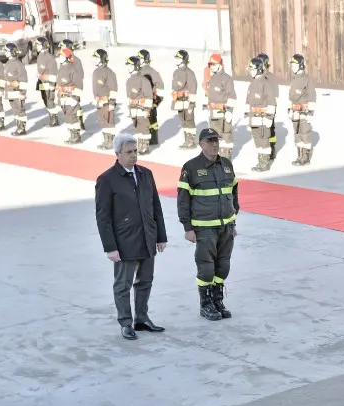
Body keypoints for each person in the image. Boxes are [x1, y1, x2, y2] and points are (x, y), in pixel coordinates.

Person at [95, 133, 168, 340]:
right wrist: (110, 247)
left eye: (135, 151)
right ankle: (126, 322)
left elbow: (156, 206)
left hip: (147, 237)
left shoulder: (146, 174)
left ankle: (142, 318)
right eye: (129, 152)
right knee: (123, 285)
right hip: (124, 242)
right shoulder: (107, 179)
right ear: (117, 154)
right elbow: (103, 217)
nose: (134, 156)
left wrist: (160, 236)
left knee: (145, 281)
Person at [177, 128, 240, 321]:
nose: (214, 144)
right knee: (206, 267)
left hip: (226, 227)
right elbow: (183, 200)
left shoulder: (227, 164)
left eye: (216, 140)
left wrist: (233, 219)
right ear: (201, 143)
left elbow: (234, 194)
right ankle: (205, 304)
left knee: (223, 266)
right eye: (210, 140)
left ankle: (217, 300)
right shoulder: (191, 167)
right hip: (204, 228)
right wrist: (187, 227)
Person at [245, 57, 276, 172]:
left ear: (258, 69)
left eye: (252, 69)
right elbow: (248, 100)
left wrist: (269, 118)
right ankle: (260, 161)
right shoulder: (252, 84)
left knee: (264, 140)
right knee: (257, 140)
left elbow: (272, 102)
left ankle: (265, 163)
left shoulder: (265, 84)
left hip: (263, 118)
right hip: (254, 118)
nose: (250, 71)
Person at [205, 53, 237, 159]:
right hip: (213, 113)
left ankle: (226, 158)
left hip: (223, 112)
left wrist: (229, 111)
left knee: (226, 136)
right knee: (214, 136)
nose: (212, 67)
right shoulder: (211, 78)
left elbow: (231, 96)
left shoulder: (226, 79)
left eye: (214, 64)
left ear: (220, 65)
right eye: (211, 65)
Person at [288, 54, 316, 166]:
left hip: (304, 111)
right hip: (295, 112)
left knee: (305, 133)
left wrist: (310, 113)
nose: (292, 67)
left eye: (294, 65)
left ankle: (306, 157)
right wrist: (290, 109)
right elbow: (291, 96)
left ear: (300, 65)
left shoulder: (307, 80)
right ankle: (299, 155)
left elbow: (312, 96)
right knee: (297, 134)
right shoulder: (294, 80)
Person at [125, 55, 153, 154]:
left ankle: (145, 147)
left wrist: (147, 109)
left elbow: (149, 96)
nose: (128, 67)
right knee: (137, 127)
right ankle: (139, 145)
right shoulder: (129, 80)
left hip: (142, 108)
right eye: (127, 65)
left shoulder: (143, 80)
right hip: (133, 108)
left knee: (144, 127)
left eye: (130, 65)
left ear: (136, 66)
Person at [91, 49, 118, 150]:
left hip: (107, 103)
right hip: (99, 102)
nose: (93, 60)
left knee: (109, 121)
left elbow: (113, 89)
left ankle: (110, 141)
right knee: (102, 121)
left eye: (96, 58)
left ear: (102, 59)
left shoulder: (109, 73)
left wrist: (112, 103)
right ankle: (106, 140)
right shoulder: (96, 71)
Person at [172, 49, 198, 149]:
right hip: (179, 101)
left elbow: (193, 89)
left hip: (187, 101)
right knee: (183, 121)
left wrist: (191, 104)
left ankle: (190, 142)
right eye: (176, 58)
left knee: (189, 121)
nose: (177, 60)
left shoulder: (189, 73)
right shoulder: (176, 72)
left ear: (184, 60)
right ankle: (187, 140)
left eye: (179, 58)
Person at [137, 49, 165, 146]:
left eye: (139, 58)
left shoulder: (151, 72)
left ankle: (151, 141)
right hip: (141, 101)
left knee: (150, 121)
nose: (138, 59)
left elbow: (161, 87)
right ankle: (151, 140)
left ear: (145, 59)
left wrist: (155, 102)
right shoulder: (138, 71)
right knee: (147, 121)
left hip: (149, 101)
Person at [255, 53, 279, 160]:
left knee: (271, 130)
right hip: (258, 108)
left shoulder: (271, 77)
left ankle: (272, 148)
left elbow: (275, 94)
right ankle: (263, 151)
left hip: (268, 107)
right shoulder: (257, 77)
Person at [57, 48, 82, 144]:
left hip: (71, 97)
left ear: (67, 57)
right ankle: (72, 134)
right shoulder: (61, 69)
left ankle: (76, 136)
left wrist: (75, 98)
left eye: (61, 56)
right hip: (63, 97)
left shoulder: (73, 70)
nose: (59, 58)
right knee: (67, 117)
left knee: (73, 117)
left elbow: (79, 85)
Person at [59, 40, 85, 131]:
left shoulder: (76, 60)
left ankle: (80, 122)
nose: (61, 49)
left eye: (62, 47)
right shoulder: (63, 59)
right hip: (65, 90)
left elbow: (80, 75)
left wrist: (74, 90)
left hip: (73, 89)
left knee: (76, 107)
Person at [3, 42, 27, 136]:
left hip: (17, 92)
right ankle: (18, 127)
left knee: (20, 110)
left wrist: (22, 93)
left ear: (12, 52)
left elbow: (23, 79)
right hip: (10, 92)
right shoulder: (8, 63)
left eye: (6, 51)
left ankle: (22, 129)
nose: (5, 52)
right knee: (15, 110)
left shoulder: (18, 64)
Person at [35, 37, 59, 127]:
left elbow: (53, 74)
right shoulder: (40, 56)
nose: (36, 46)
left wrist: (52, 85)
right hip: (42, 83)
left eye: (38, 45)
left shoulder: (49, 58)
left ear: (43, 46)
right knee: (45, 99)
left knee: (50, 101)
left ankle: (54, 119)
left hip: (48, 83)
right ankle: (51, 114)